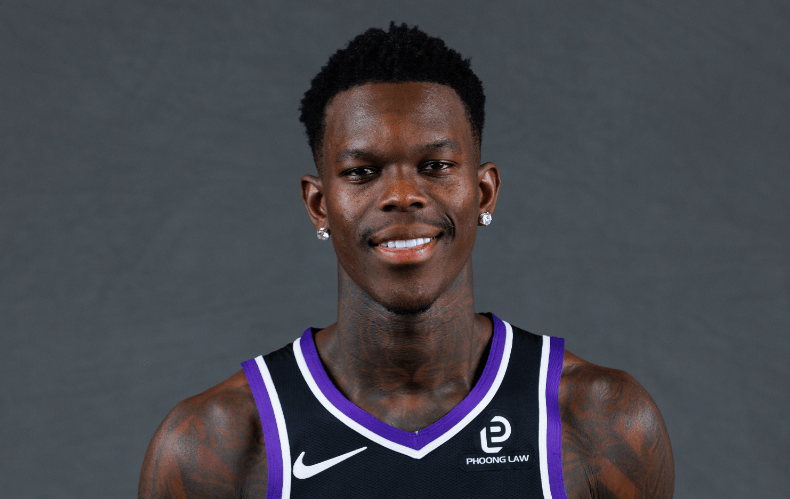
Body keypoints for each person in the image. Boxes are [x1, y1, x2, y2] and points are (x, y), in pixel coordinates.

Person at [138, 23, 674, 499]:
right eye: (362, 172)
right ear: (319, 205)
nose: (401, 195)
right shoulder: (215, 445)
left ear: (484, 193)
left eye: (435, 165)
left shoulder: (600, 422)